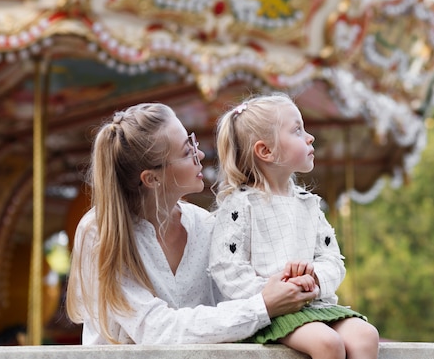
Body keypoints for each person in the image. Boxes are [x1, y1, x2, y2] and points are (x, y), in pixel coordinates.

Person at [65, 102, 316, 344]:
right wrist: (262, 305)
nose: (200, 153)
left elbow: (235, 294)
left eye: (192, 141)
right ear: (152, 178)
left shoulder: (205, 224)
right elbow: (156, 329)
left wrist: (290, 283)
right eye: (187, 151)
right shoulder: (100, 233)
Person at [209, 93, 379, 359]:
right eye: (297, 130)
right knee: (327, 344)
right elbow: (226, 268)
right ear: (266, 151)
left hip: (314, 304)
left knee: (366, 335)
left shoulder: (307, 204)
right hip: (272, 311)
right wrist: (274, 292)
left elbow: (332, 259)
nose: (309, 137)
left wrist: (312, 279)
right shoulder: (239, 206)